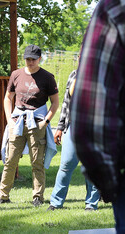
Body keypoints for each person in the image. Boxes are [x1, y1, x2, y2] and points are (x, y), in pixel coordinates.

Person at [70, 0, 125, 232]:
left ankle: (93, 201)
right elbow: (68, 103)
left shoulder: (115, 7)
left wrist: (112, 185)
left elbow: (89, 117)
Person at [0, 44, 59, 207]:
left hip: (37, 122)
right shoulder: (16, 74)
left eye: (33, 59)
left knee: (37, 162)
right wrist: (10, 120)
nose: (30, 62)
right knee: (10, 160)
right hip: (17, 122)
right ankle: (3, 195)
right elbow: (7, 98)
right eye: (27, 59)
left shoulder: (47, 77)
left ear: (39, 59)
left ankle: (38, 196)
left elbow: (55, 102)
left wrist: (45, 122)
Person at [47, 68, 100, 211]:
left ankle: (91, 204)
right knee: (65, 165)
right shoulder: (73, 74)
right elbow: (66, 103)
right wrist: (60, 127)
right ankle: (56, 203)